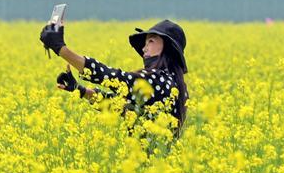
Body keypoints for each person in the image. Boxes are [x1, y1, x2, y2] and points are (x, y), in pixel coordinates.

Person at [40, 19, 189, 140]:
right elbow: (120, 107)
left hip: (154, 170)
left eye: (151, 41)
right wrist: (82, 91)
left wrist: (61, 49)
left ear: (168, 48)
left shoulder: (161, 81)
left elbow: (114, 77)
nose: (144, 48)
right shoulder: (171, 83)